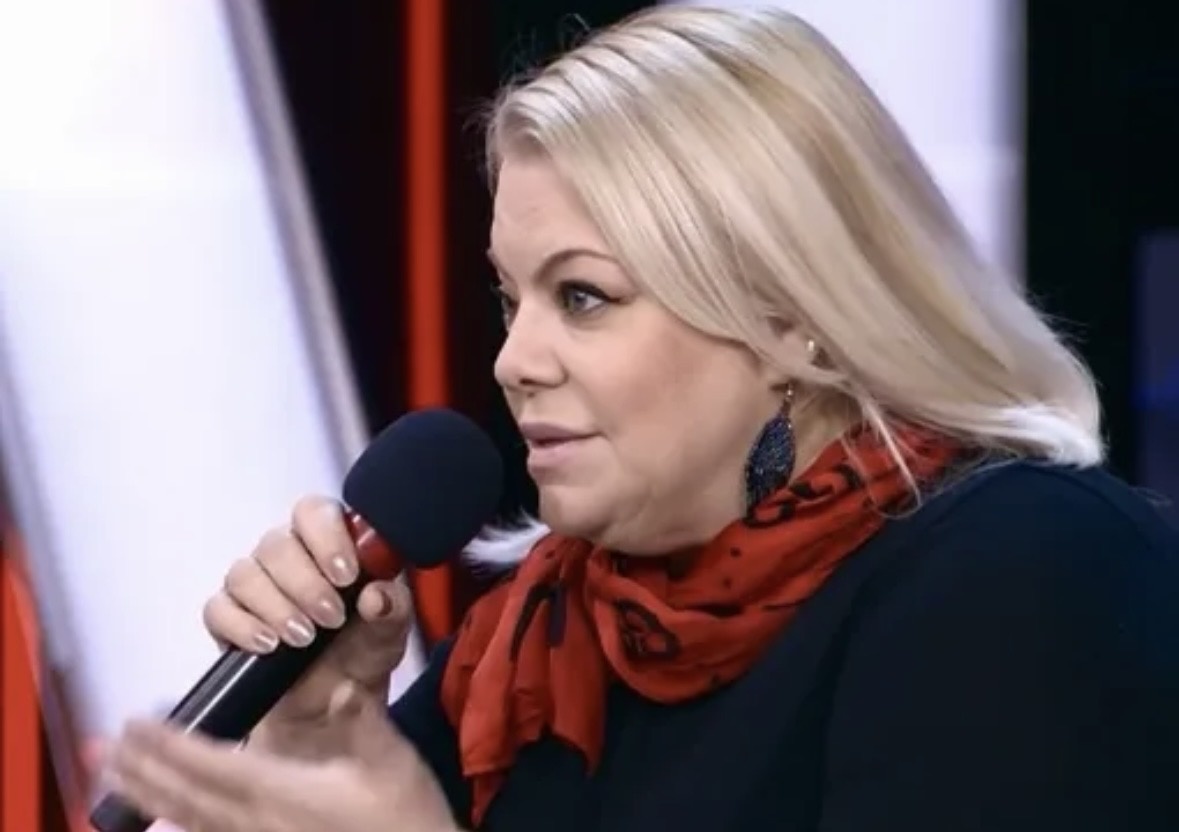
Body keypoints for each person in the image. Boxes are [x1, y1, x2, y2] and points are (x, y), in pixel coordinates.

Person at [104, 6, 1179, 831]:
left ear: (797, 321)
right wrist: (321, 737)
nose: (512, 362)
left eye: (583, 296)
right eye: (510, 298)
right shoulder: (535, 647)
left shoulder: (1028, 570)